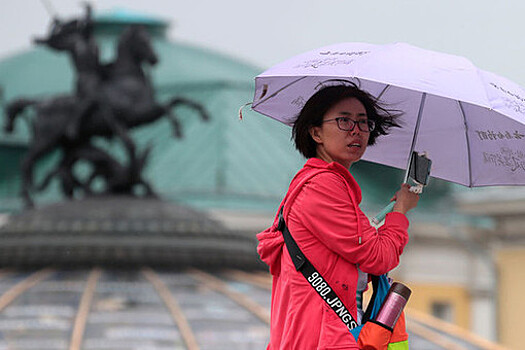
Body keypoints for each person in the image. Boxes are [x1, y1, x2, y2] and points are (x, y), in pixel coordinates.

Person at [257, 84, 420, 349]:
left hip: (321, 334)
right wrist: (400, 212)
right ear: (316, 132)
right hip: (323, 338)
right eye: (344, 120)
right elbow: (378, 257)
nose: (356, 130)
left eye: (363, 123)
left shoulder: (326, 184)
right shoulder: (323, 185)